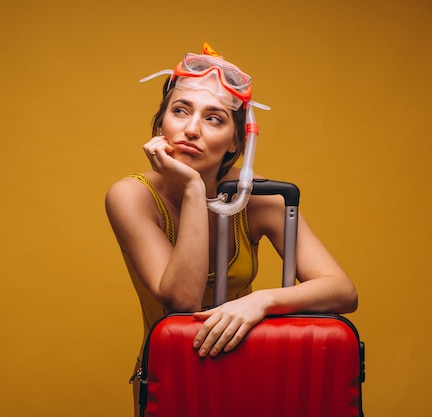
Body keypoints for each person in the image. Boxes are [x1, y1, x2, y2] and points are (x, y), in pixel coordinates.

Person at [105, 43, 358, 416]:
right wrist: (193, 188)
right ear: (161, 124)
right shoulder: (130, 197)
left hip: (257, 375)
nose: (191, 130)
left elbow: (342, 290)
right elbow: (182, 302)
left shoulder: (257, 196)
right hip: (173, 380)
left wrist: (261, 301)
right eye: (180, 111)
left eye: (214, 119)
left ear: (236, 141)